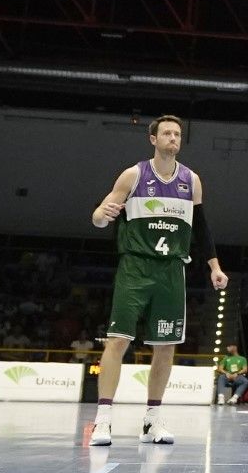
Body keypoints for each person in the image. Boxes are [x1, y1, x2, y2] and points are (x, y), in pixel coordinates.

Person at [88, 115, 230, 447]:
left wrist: (214, 266)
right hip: (135, 267)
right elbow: (100, 214)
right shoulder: (134, 174)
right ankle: (103, 421)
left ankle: (152, 421)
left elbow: (202, 228)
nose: (172, 137)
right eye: (166, 132)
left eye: (177, 133)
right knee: (117, 341)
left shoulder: (191, 180)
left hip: (171, 271)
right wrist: (99, 216)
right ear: (153, 139)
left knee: (165, 346)